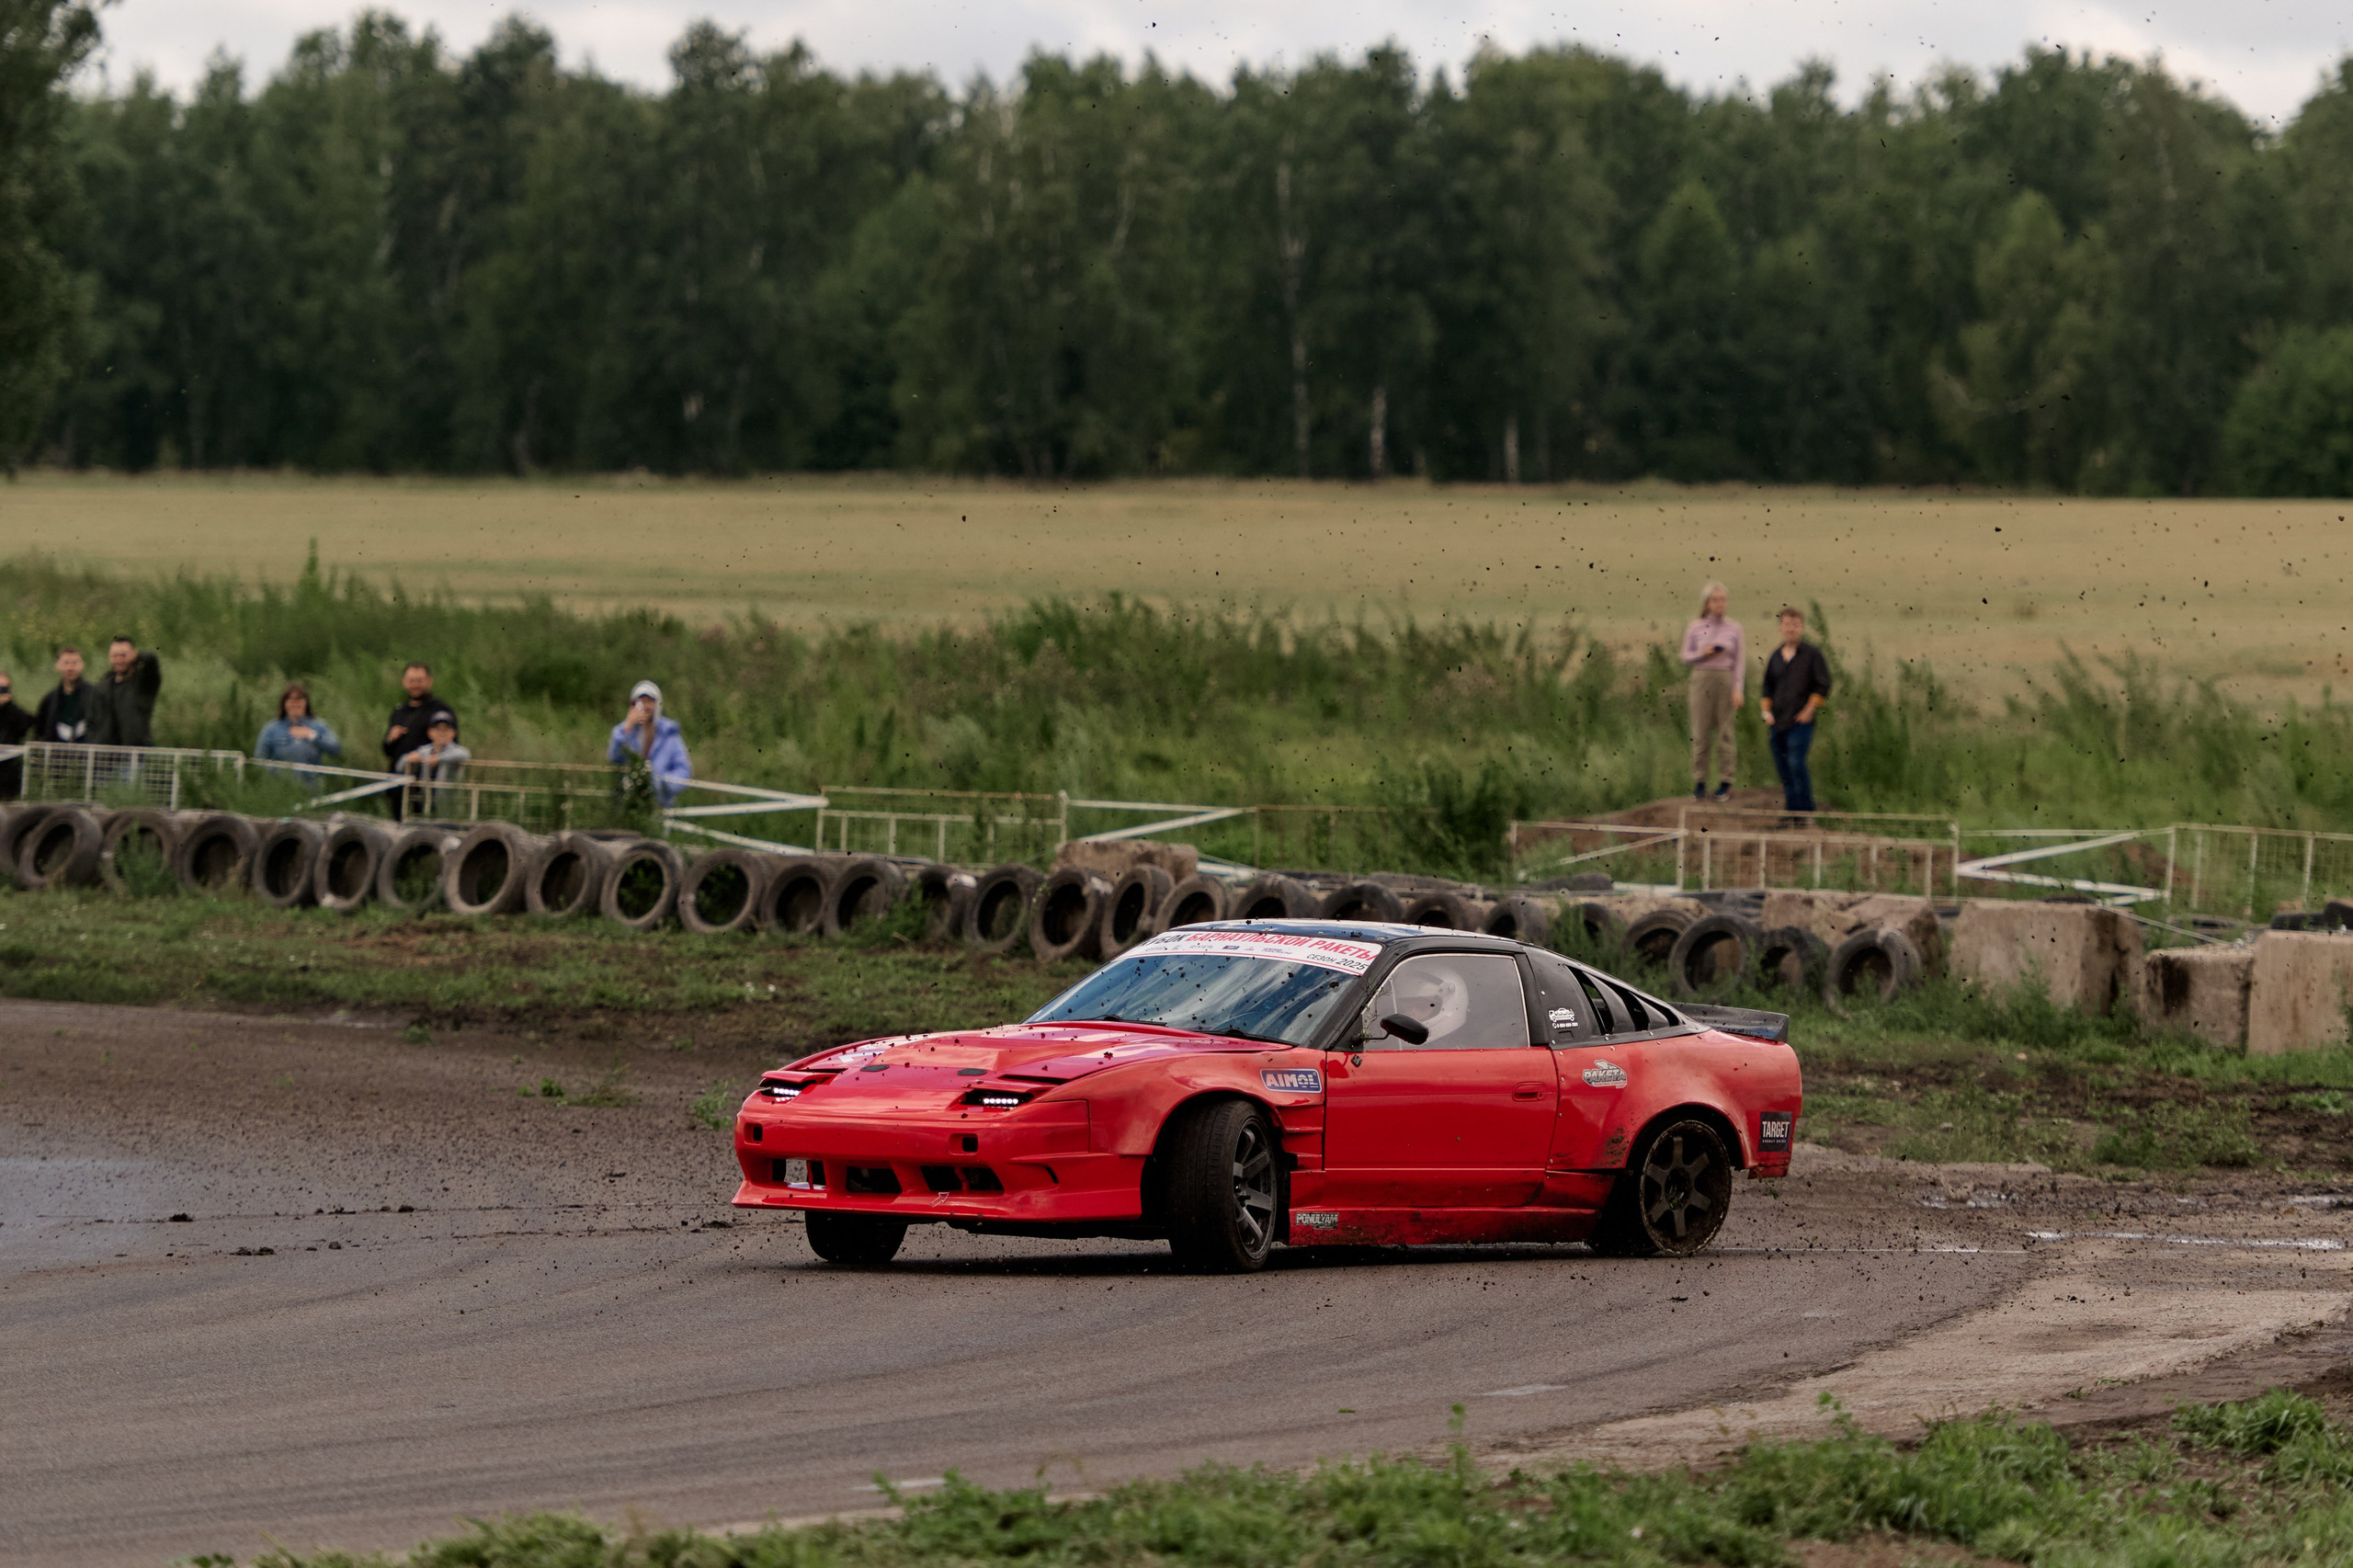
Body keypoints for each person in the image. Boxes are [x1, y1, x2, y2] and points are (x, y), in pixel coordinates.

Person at [1759, 606, 1833, 815]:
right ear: (1780, 628)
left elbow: (1823, 684)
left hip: (1800, 721)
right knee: (1783, 769)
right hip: (1778, 721)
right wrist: (1767, 711)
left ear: (1801, 627)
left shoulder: (1812, 655)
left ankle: (1805, 810)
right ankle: (1791, 812)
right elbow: (1767, 686)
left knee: (1796, 763)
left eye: (1794, 625)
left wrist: (1810, 709)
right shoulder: (1775, 656)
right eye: (1786, 625)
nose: (1790, 629)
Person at [1679, 581, 1744, 802]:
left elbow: (1739, 661)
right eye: (1715, 600)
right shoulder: (1695, 626)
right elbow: (1685, 656)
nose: (1720, 604)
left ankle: (1726, 782)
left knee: (1726, 733)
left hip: (1725, 678)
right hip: (1701, 677)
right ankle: (1699, 781)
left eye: (1723, 600)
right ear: (1706, 603)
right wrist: (1702, 652)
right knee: (1700, 733)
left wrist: (1738, 689)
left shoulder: (1734, 628)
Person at [608, 680, 692, 808]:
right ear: (633, 705)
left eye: (650, 701)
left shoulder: (669, 734)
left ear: (657, 704)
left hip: (659, 804)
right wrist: (627, 729)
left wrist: (663, 783)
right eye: (640, 701)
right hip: (628, 801)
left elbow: (684, 769)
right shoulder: (623, 732)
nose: (645, 706)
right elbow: (614, 758)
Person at [256, 683, 344, 791]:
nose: (295, 704)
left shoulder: (319, 726)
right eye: (291, 700)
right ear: (284, 704)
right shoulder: (271, 729)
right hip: (281, 791)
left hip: (313, 789)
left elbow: (335, 748)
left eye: (299, 699)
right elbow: (259, 759)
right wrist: (278, 773)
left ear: (306, 703)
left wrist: (311, 735)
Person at [86, 635, 164, 747]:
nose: (119, 659)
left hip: (133, 753)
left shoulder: (143, 684)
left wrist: (139, 657)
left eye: (123, 655)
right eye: (115, 655)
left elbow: (152, 662)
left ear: (134, 655)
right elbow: (90, 722)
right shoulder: (101, 687)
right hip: (104, 756)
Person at [395, 710, 470, 812]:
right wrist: (408, 759)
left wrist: (438, 758)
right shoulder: (425, 751)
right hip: (427, 805)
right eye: (438, 729)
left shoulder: (457, 751)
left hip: (451, 808)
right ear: (430, 733)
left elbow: (465, 754)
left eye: (446, 729)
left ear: (453, 733)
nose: (442, 733)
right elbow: (400, 765)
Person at [34, 647, 90, 744]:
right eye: (66, 663)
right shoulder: (50, 699)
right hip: (57, 755)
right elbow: (40, 730)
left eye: (75, 663)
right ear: (57, 665)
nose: (70, 668)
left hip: (87, 754)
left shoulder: (94, 696)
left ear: (82, 665)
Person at [0, 670, 29, 799]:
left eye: (4, 689)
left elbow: (26, 724)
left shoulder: (14, 712)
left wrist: (8, 704)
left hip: (8, 771)